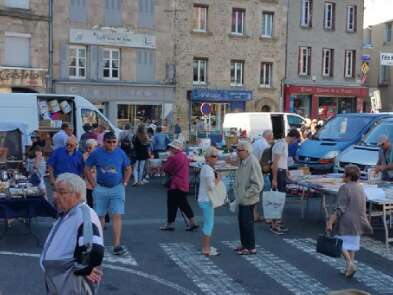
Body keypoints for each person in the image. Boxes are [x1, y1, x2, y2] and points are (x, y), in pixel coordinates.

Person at [40, 173, 104, 294]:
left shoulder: (84, 214)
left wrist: (85, 267)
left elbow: (93, 247)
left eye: (61, 192)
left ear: (78, 195)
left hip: (71, 281)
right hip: (60, 278)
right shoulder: (70, 212)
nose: (55, 196)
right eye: (55, 191)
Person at [85, 132, 132, 256]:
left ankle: (116, 245)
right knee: (100, 216)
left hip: (117, 188)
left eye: (114, 141)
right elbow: (86, 168)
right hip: (101, 188)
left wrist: (125, 182)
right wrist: (94, 185)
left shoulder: (120, 152)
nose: (112, 144)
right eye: (109, 142)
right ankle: (99, 244)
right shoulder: (96, 153)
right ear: (104, 142)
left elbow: (128, 168)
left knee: (117, 215)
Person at [326, 165, 373, 279]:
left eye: (344, 174)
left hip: (346, 219)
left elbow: (340, 208)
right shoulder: (361, 187)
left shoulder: (344, 187)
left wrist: (330, 221)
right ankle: (349, 268)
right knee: (352, 245)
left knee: (338, 241)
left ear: (348, 176)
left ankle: (350, 264)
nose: (343, 176)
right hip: (358, 219)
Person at [160, 139, 199, 231]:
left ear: (175, 148)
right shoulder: (184, 156)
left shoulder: (173, 157)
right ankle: (192, 222)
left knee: (172, 204)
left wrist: (168, 159)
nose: (170, 149)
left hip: (175, 184)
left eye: (171, 148)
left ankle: (171, 223)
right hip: (183, 183)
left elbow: (166, 168)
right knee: (183, 204)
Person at [233, 141, 263, 255]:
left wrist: (246, 194)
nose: (237, 152)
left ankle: (250, 247)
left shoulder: (252, 162)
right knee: (242, 222)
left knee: (247, 223)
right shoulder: (243, 161)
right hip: (242, 198)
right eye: (237, 150)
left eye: (239, 150)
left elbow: (258, 184)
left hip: (248, 199)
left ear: (247, 151)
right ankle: (244, 244)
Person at [271, 129, 300, 234]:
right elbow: (275, 163)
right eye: (296, 140)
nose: (296, 142)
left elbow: (282, 161)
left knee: (280, 198)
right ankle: (275, 225)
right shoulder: (281, 144)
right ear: (294, 137)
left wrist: (286, 170)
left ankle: (277, 222)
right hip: (278, 173)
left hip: (281, 172)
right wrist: (274, 179)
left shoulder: (285, 144)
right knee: (278, 199)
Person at [198, 147, 220, 256]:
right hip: (207, 200)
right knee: (209, 224)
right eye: (214, 156)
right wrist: (217, 181)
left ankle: (206, 247)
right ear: (207, 158)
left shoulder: (207, 168)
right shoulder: (207, 169)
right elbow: (211, 186)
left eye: (216, 156)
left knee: (208, 224)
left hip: (205, 199)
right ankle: (206, 248)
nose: (216, 158)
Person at [252, 130, 273, 222]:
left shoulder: (255, 143)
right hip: (262, 172)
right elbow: (266, 163)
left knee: (255, 195)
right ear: (269, 137)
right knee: (266, 195)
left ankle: (254, 214)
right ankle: (268, 217)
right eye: (271, 137)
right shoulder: (266, 146)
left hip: (253, 171)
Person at [83, 139, 98, 209]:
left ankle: (104, 218)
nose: (88, 149)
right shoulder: (84, 156)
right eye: (87, 148)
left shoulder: (99, 155)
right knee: (90, 203)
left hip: (98, 183)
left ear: (95, 148)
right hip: (88, 184)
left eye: (90, 148)